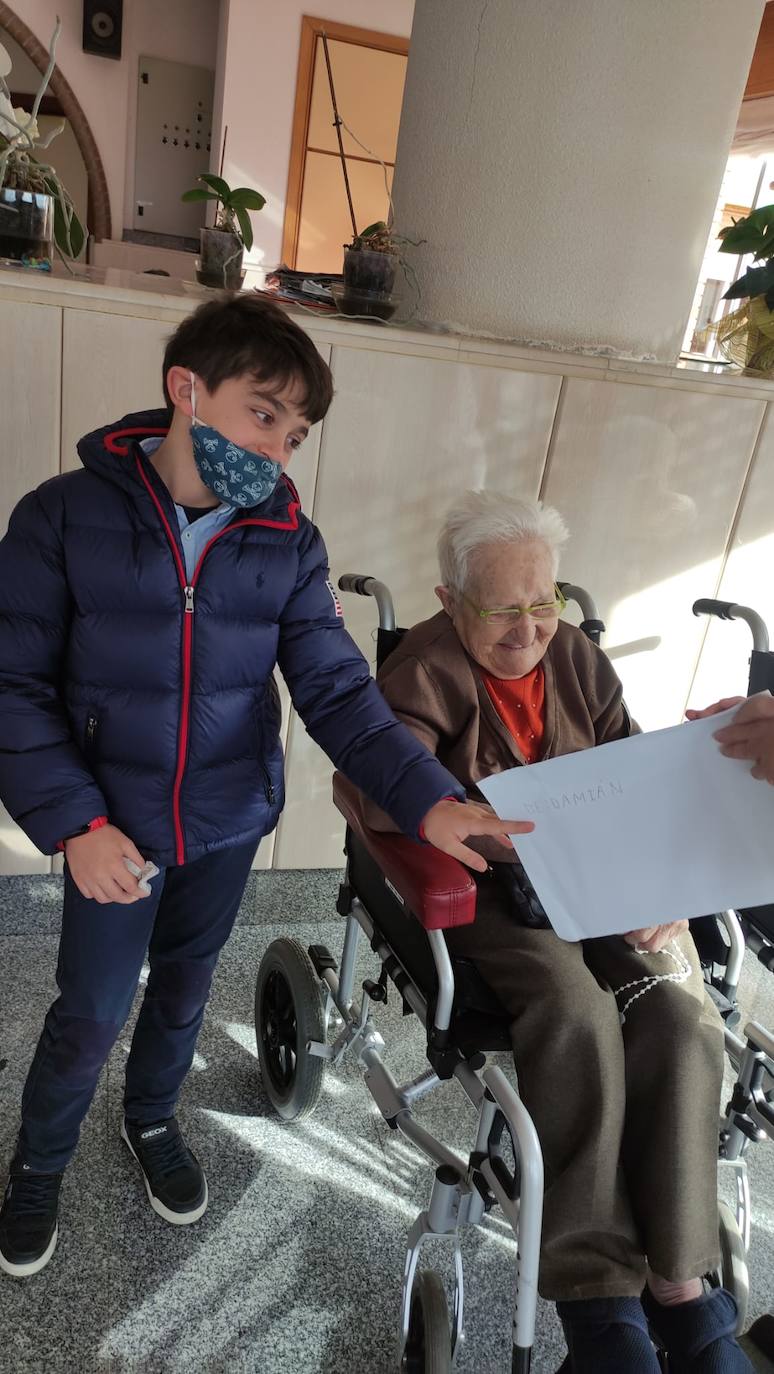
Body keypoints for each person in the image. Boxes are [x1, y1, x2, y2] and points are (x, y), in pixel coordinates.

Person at [0, 296, 527, 1279]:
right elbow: (13, 684)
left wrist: (428, 798)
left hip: (227, 819)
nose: (278, 447)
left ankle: (153, 1120)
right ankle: (38, 1163)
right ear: (185, 389)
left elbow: (339, 694)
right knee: (91, 1008)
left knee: (187, 990)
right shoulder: (61, 517)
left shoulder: (286, 541)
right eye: (262, 413)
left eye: (294, 431)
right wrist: (75, 824)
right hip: (108, 830)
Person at [358, 489, 753, 1374]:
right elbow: (371, 783)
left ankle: (683, 1286)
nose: (529, 630)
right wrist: (450, 815)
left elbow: (636, 763)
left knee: (683, 1017)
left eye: (544, 605)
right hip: (495, 895)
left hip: (602, 875)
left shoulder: (576, 657)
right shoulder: (420, 673)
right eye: (502, 609)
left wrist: (670, 882)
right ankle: (598, 1293)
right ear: (448, 600)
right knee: (576, 1015)